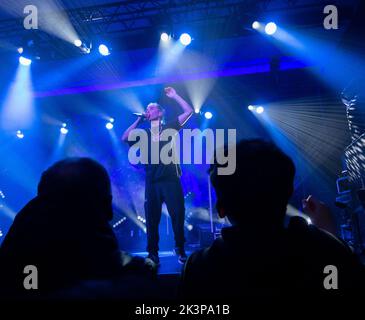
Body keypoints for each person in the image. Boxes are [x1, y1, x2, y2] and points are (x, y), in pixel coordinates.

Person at [180, 139, 365, 301]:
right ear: (288, 194)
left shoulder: (200, 267)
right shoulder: (326, 252)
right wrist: (328, 237)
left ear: (220, 208)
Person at [0, 158, 157, 300]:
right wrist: (138, 270)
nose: (109, 214)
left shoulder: (27, 224)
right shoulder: (90, 233)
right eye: (107, 201)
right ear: (102, 202)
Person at [122, 87, 193, 265]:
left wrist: (175, 95)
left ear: (160, 113)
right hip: (152, 181)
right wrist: (139, 119)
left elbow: (189, 111)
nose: (148, 110)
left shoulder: (169, 126)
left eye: (152, 108)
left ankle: (180, 248)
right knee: (152, 219)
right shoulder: (144, 133)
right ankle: (152, 253)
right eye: (147, 109)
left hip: (170, 180)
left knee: (177, 215)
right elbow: (125, 137)